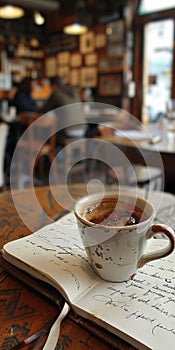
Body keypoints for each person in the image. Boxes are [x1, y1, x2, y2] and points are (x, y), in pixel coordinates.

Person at [38, 76, 86, 145]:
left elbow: (44, 109)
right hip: (82, 130)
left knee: (47, 135)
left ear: (54, 85)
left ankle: (57, 155)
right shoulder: (74, 93)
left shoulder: (57, 93)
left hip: (69, 131)